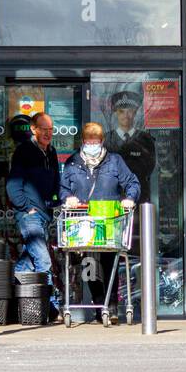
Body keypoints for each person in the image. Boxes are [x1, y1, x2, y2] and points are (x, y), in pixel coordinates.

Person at [61, 121, 140, 321]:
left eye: (95, 141)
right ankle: (99, 307)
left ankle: (111, 306)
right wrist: (67, 197)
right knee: (90, 265)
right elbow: (63, 188)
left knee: (109, 262)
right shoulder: (72, 163)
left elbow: (132, 182)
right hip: (83, 223)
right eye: (89, 141)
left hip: (109, 221)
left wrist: (130, 198)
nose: (92, 145)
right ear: (83, 141)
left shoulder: (114, 161)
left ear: (102, 141)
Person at [5, 112, 59, 278]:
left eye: (50, 129)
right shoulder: (24, 151)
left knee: (27, 263)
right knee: (44, 261)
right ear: (33, 129)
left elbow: (56, 181)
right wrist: (27, 208)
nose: (48, 133)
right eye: (43, 129)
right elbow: (13, 185)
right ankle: (47, 303)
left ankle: (13, 298)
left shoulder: (51, 152)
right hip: (30, 216)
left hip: (45, 215)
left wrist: (56, 201)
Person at [106, 89, 156, 204]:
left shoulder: (145, 139)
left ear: (135, 113)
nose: (126, 115)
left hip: (139, 196)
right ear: (116, 113)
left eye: (130, 111)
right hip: (113, 196)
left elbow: (149, 168)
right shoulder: (107, 139)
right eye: (121, 111)